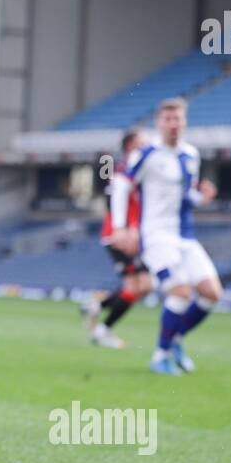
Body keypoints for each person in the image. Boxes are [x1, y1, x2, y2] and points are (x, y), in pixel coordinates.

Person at [109, 97, 219, 376]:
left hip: (185, 235)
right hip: (156, 236)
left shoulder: (191, 155)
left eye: (178, 119)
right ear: (159, 123)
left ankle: (176, 338)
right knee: (180, 292)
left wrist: (202, 198)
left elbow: (185, 194)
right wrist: (120, 227)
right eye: (167, 119)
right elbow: (121, 186)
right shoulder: (146, 154)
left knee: (211, 293)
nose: (173, 124)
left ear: (184, 122)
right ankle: (161, 356)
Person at [82, 130, 152, 348]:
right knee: (139, 285)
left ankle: (98, 307)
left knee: (143, 286)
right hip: (120, 237)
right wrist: (127, 229)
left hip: (127, 235)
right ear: (131, 146)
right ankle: (102, 330)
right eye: (142, 143)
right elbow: (114, 201)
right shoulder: (124, 172)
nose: (147, 146)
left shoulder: (137, 171)